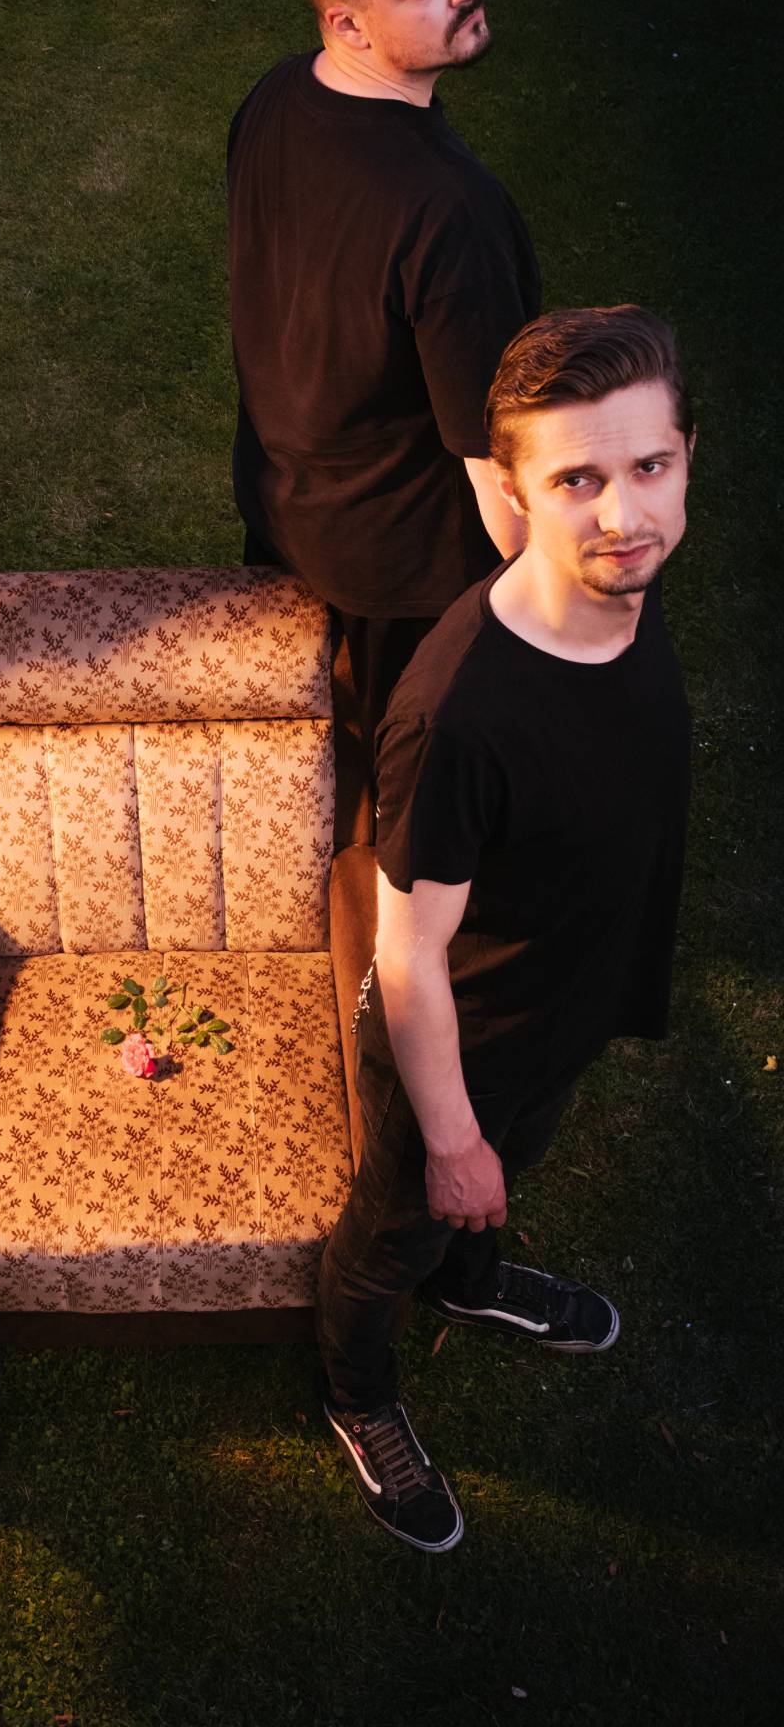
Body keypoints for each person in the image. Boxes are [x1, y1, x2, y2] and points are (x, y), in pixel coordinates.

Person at [315, 306, 694, 1551]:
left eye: (648, 466)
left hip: (563, 1007)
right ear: (515, 492)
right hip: (457, 1046)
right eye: (576, 480)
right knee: (389, 1239)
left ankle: (471, 1284)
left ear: (683, 455)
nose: (624, 514)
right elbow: (408, 952)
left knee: (498, 1182)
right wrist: (448, 1137)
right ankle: (356, 1393)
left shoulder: (625, 590)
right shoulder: (458, 717)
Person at [228, 0, 541, 840]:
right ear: (348, 23)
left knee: (313, 784)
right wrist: (549, 621)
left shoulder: (275, 100)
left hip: (284, 513)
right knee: (419, 817)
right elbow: (500, 476)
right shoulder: (449, 211)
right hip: (407, 578)